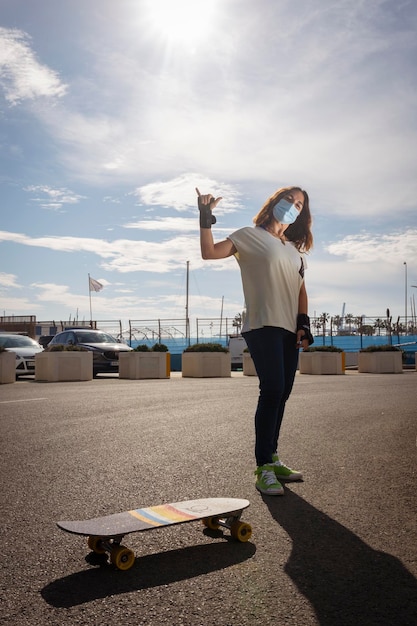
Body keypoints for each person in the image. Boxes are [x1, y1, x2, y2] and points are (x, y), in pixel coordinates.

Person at [197, 185, 314, 495]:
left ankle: (273, 457)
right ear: (274, 202)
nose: (292, 205)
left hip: (290, 328)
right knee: (272, 389)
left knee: (283, 393)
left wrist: (304, 323)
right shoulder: (248, 236)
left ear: (302, 214)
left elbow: (301, 289)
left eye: (299, 204)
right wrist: (205, 217)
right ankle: (263, 467)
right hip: (263, 324)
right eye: (288, 199)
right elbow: (209, 253)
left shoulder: (295, 250)